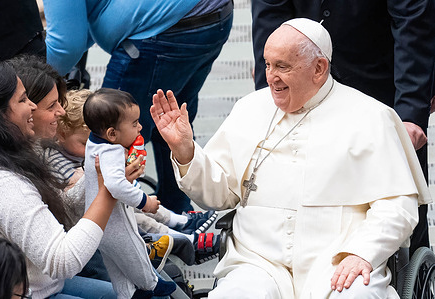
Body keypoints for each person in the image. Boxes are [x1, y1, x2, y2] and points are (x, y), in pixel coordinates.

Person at [150, 19, 432, 298]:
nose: (271, 76)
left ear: (319, 69)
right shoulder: (249, 109)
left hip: (337, 261)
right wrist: (185, 151)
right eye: (268, 64)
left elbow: (397, 207)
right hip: (257, 261)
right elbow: (218, 195)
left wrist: (363, 253)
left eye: (282, 66)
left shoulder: (371, 116)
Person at [251, 0, 435, 255]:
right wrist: (271, 99)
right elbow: (269, 18)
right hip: (303, 82)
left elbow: (412, 20)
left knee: (397, 203)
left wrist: (410, 112)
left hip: (380, 79)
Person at [42, 0, 234, 214]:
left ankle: (144, 223)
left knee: (110, 140)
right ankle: (180, 217)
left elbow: (65, 46)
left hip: (164, 29)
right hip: (210, 17)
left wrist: (27, 85)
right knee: (169, 120)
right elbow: (79, 25)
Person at [0, 61, 119, 298]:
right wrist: (107, 193)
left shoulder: (17, 158)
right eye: (23, 100)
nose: (32, 107)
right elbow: (64, 260)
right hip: (34, 292)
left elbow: (62, 209)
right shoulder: (3, 184)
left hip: (49, 284)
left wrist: (98, 177)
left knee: (124, 292)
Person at [83, 88, 177, 298]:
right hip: (114, 221)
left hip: (96, 223)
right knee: (135, 251)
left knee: (117, 268)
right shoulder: (112, 150)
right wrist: (146, 202)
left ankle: (128, 294)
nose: (140, 127)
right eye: (134, 124)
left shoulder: (93, 144)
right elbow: (116, 185)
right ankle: (151, 284)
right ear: (112, 134)